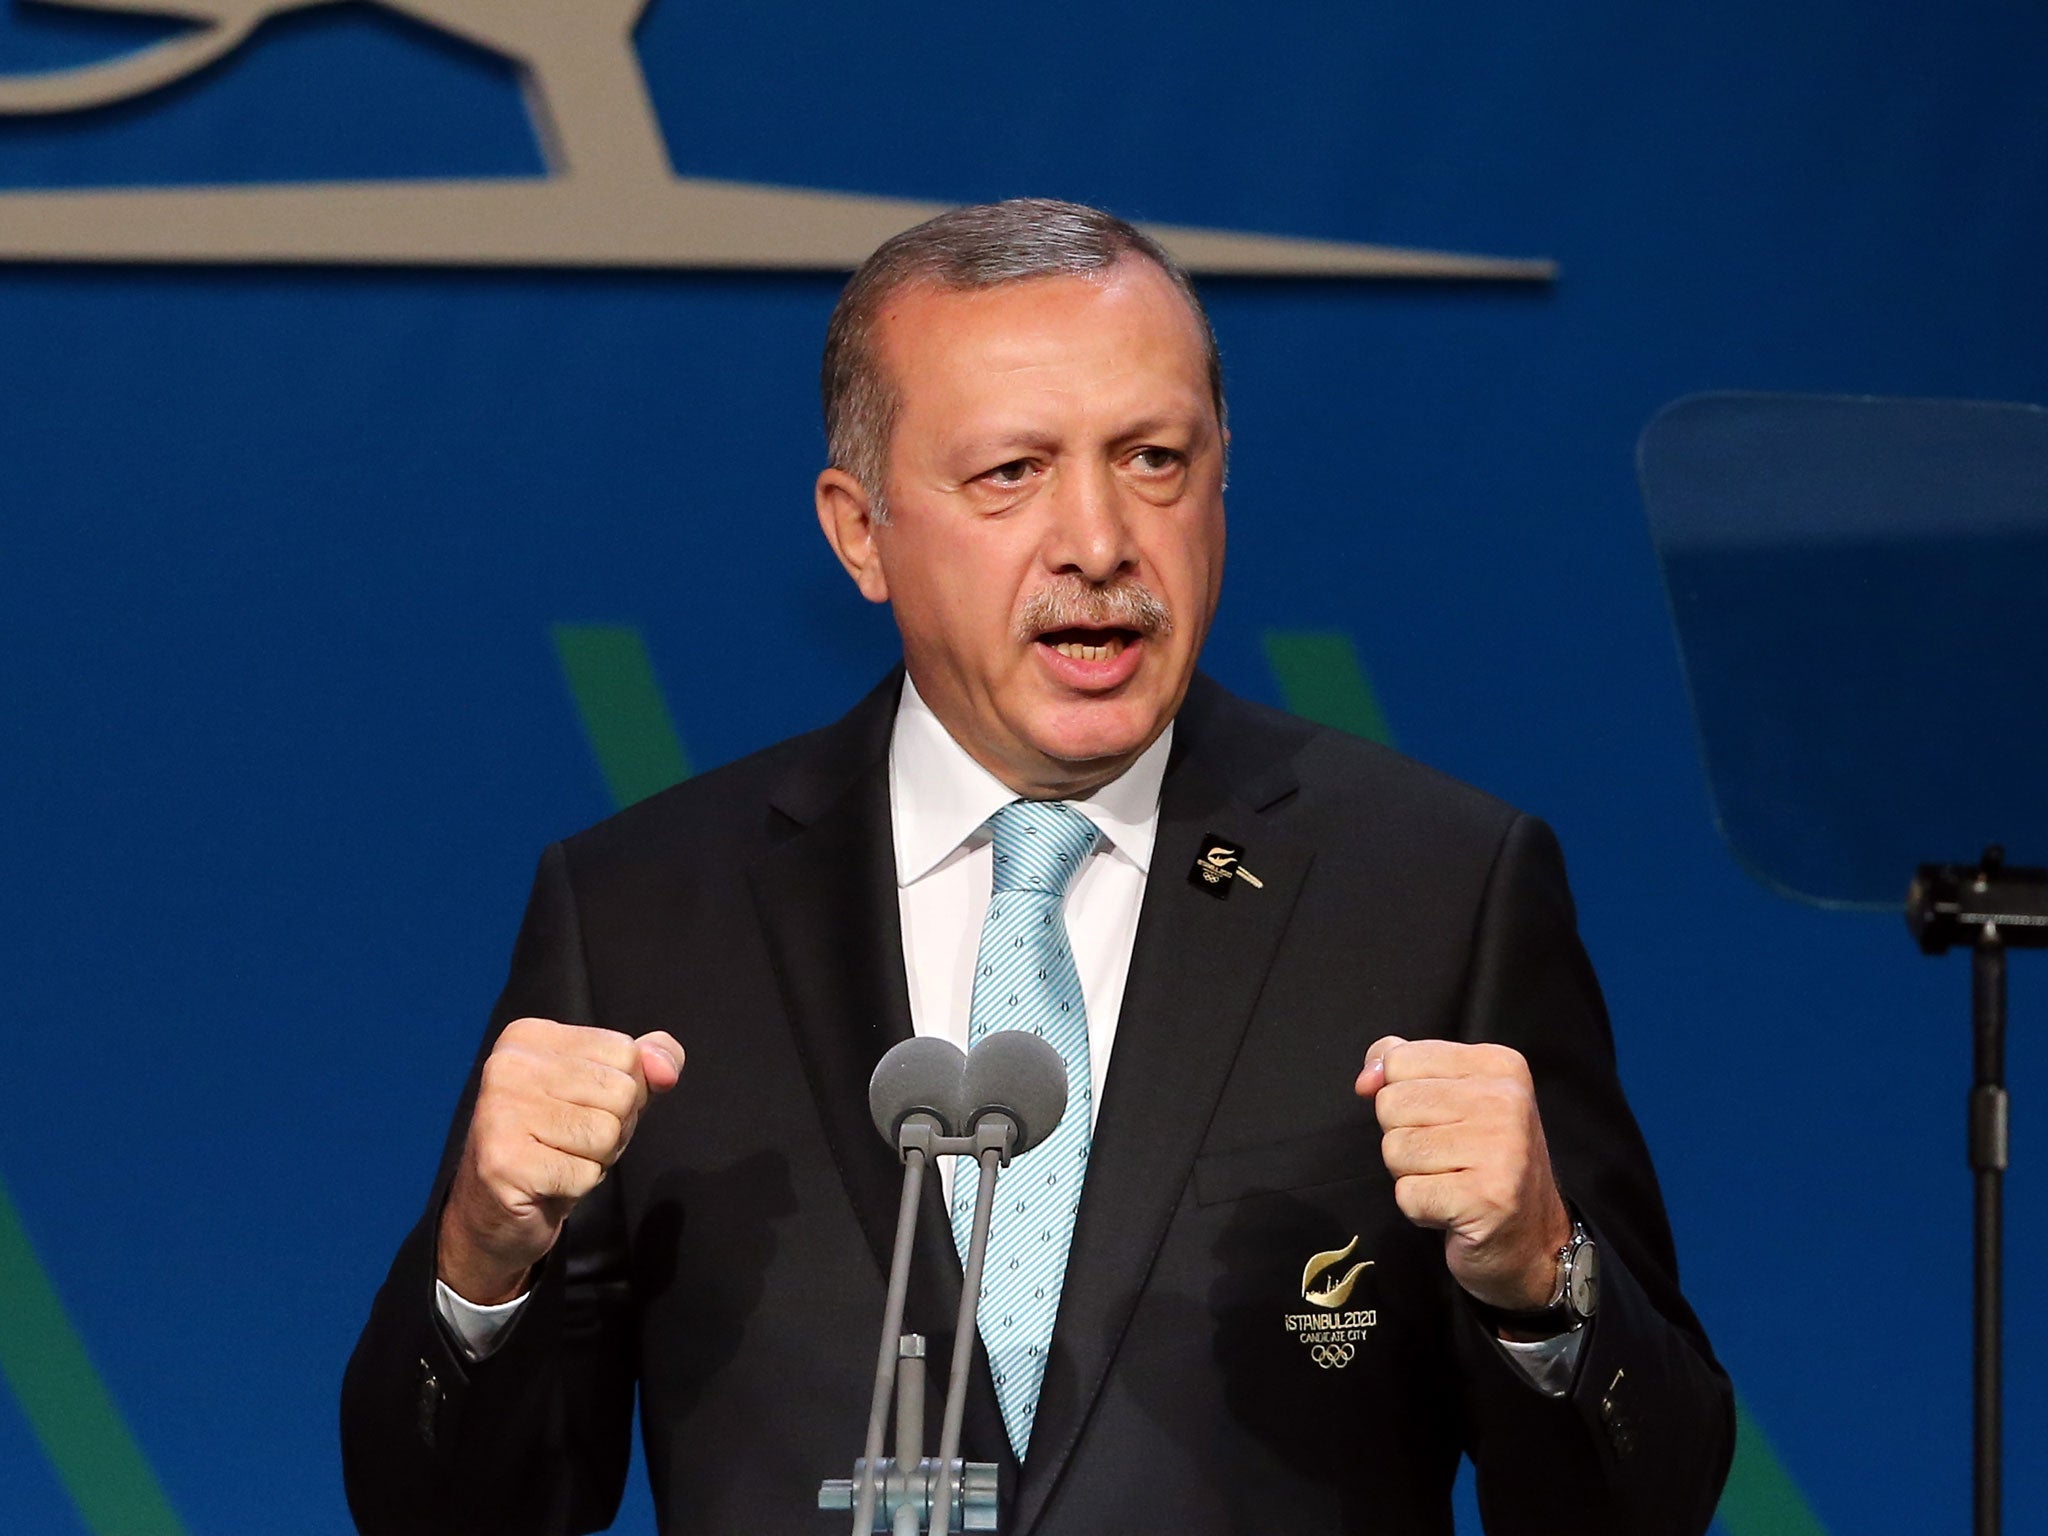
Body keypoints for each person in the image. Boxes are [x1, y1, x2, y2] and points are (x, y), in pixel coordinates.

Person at [341, 198, 1733, 1534]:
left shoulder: (1437, 886)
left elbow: (1648, 1501)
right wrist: (480, 1265)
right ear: (859, 529)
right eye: (1014, 473)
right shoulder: (642, 913)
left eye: (1155, 461)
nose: (1099, 543)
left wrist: (1543, 1282)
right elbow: (451, 1515)